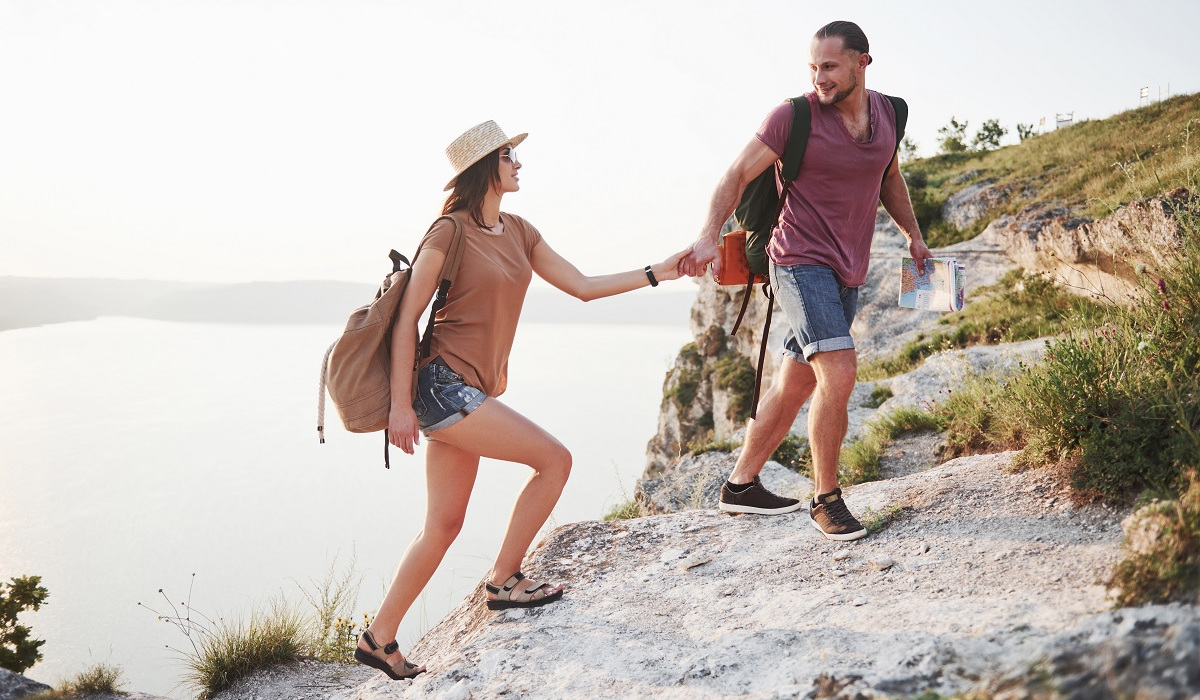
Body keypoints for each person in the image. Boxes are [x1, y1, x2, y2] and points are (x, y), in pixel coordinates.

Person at [353, 120, 689, 680]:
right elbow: (408, 318)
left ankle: (377, 638)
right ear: (485, 167)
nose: (519, 163)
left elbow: (583, 286)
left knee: (443, 524)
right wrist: (399, 407)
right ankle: (506, 581)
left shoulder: (521, 231)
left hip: (471, 390)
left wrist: (661, 271)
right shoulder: (448, 231)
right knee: (554, 460)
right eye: (509, 155)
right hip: (441, 387)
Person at [678, 20, 932, 541]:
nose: (820, 77)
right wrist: (706, 236)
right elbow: (735, 174)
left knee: (795, 380)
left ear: (862, 61)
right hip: (797, 260)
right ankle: (827, 499)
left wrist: (914, 235)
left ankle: (740, 486)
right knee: (838, 372)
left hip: (848, 269)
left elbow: (889, 176)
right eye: (814, 67)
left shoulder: (891, 114)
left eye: (830, 66)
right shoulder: (792, 116)